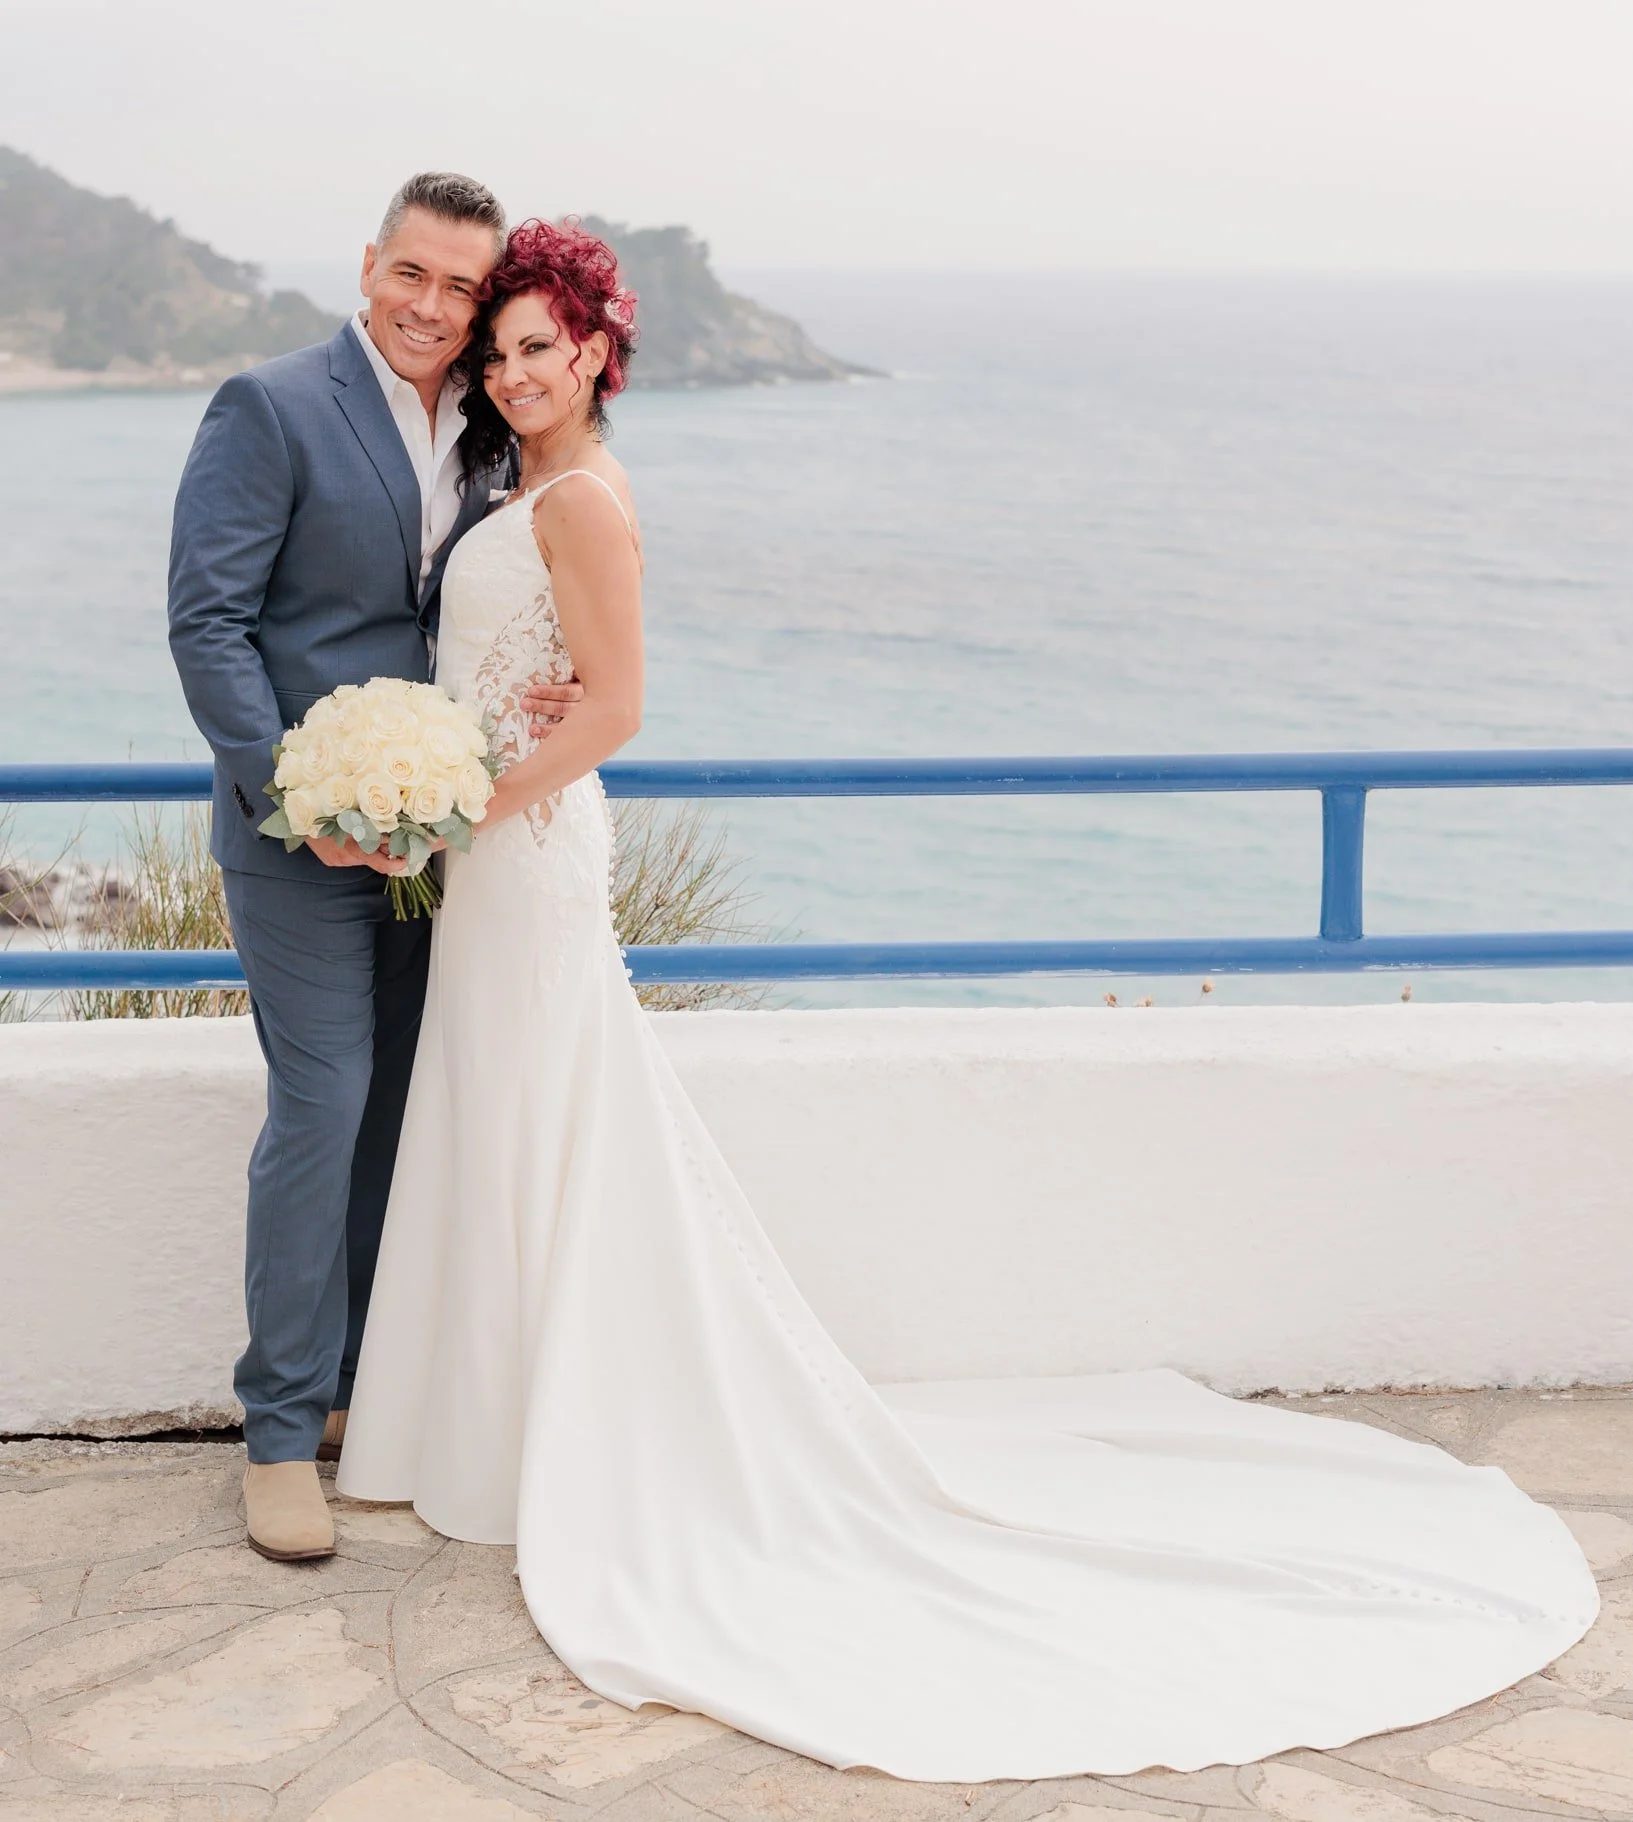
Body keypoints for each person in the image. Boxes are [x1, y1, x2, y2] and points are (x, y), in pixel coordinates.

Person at [337, 218, 1598, 1780]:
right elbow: (534, 678)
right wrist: (447, 768)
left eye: (543, 345)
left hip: (523, 855)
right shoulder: (527, 485)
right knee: (498, 1116)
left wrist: (460, 803)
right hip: (491, 857)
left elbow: (621, 709)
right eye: (502, 349)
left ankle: (541, 1439)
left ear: (595, 350)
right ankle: (486, 1424)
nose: (517, 370)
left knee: (542, 1119)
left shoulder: (583, 496)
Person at [168, 173, 580, 1563]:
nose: (434, 307)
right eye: (415, 273)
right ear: (368, 266)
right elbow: (209, 625)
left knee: (400, 1103)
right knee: (325, 1098)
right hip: (296, 838)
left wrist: (545, 693)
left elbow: (507, 603)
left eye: (463, 287)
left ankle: (357, 1387)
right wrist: (298, 795)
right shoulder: (270, 405)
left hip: (436, 832)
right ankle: (280, 1432)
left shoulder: (492, 429)